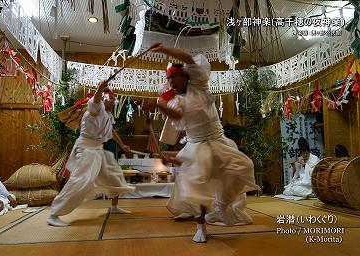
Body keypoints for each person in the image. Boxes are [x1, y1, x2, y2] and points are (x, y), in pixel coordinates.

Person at [142, 43, 260, 243]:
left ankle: (222, 204)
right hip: (197, 146)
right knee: (198, 185)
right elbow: (178, 115)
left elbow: (187, 58)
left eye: (174, 76)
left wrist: (164, 49)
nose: (171, 81)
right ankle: (201, 227)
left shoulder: (200, 84)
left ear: (185, 75)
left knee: (244, 167)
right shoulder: (175, 102)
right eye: (168, 79)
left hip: (218, 140)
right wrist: (158, 106)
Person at [47, 80, 135, 227]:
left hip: (98, 150)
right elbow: (96, 99)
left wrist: (123, 146)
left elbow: (112, 132)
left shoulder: (107, 115)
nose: (113, 101)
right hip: (86, 149)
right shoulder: (95, 109)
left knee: (113, 177)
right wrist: (101, 87)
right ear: (104, 99)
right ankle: (54, 214)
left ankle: (114, 207)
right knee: (80, 181)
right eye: (111, 99)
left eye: (114, 99)